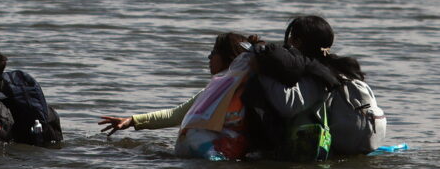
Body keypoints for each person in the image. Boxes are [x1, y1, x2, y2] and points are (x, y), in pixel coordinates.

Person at [99, 33, 264, 160]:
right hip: (210, 159)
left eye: (214, 52)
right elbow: (176, 114)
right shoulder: (212, 93)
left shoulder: (249, 93)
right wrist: (131, 121)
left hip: (220, 159)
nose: (209, 57)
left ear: (229, 57)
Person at [244, 15, 385, 157]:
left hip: (331, 148)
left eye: (291, 38)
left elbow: (287, 105)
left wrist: (262, 72)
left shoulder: (319, 75)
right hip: (361, 141)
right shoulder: (343, 68)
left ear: (297, 42)